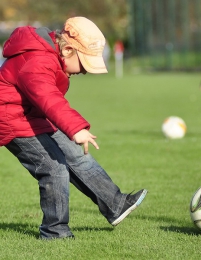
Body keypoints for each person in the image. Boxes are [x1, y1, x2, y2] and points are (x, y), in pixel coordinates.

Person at [0, 17, 147, 239]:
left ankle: (116, 204)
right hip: (11, 119)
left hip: (33, 116)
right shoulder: (38, 61)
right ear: (68, 49)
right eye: (85, 63)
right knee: (53, 168)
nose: (86, 71)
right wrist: (76, 127)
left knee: (76, 156)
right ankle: (54, 231)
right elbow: (48, 97)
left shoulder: (50, 57)